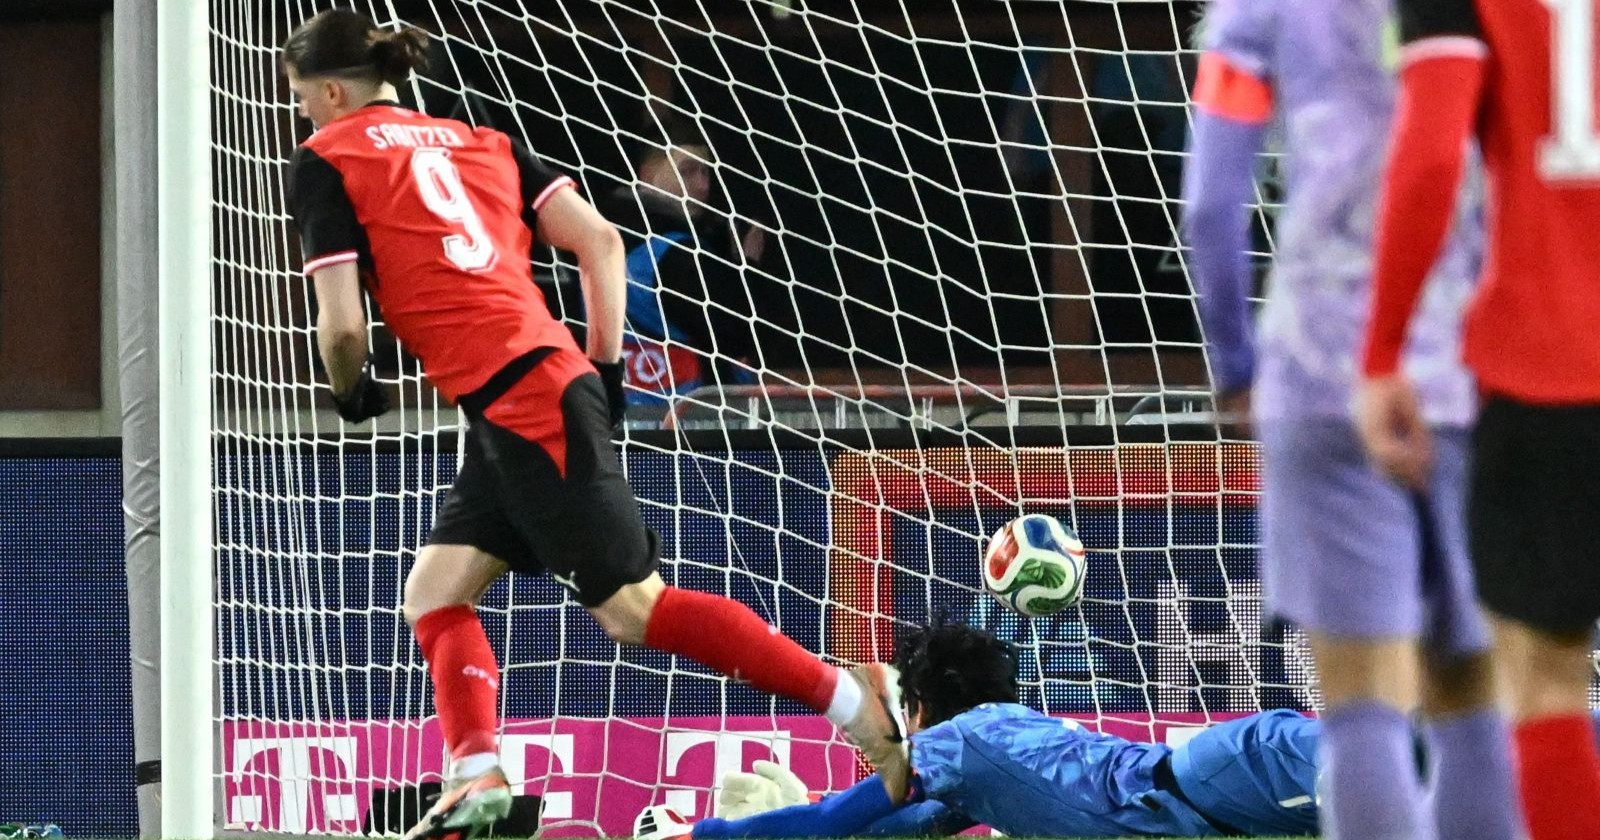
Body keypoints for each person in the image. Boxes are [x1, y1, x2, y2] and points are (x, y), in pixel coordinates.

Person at [277, 10, 908, 839]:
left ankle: (854, 699)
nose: (302, 116)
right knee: (434, 590)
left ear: (328, 91)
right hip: (529, 388)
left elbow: (343, 327)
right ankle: (477, 774)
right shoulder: (486, 141)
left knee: (633, 610)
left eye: (300, 99)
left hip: (520, 396)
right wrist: (604, 369)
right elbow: (601, 243)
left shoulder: (326, 157)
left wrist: (352, 388)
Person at [1179, 1, 1518, 838]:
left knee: (1364, 708)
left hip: (1325, 377)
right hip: (1475, 373)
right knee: (1473, 693)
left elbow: (1212, 209)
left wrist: (1235, 369)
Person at [1357, 1, 1600, 837]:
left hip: (1550, 367)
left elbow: (1428, 158)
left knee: (1546, 675)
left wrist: (1382, 351)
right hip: (1548, 365)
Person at [636, 620, 1323, 838]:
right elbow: (878, 833)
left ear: (920, 711)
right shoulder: (978, 765)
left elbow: (841, 819)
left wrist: (703, 835)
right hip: (1222, 790)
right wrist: (794, 817)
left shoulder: (959, 743)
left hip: (1234, 773)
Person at [591, 144, 761, 411]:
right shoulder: (675, 252)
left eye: (706, 173)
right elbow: (736, 335)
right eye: (688, 171)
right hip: (688, 421)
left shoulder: (594, 239)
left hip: (614, 415)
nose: (703, 186)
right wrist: (747, 265)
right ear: (646, 175)